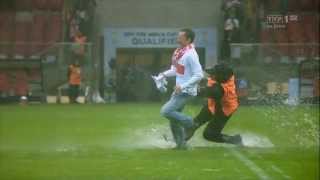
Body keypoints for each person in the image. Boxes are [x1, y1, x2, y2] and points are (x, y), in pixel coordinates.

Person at [157, 28, 204, 149]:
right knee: (173, 119)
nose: (177, 38)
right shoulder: (179, 51)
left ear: (188, 39)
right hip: (179, 90)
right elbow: (175, 70)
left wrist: (182, 86)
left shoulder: (191, 54)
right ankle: (181, 145)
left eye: (180, 37)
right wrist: (163, 75)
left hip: (185, 91)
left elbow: (199, 75)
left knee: (166, 111)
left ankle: (191, 123)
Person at [185, 64, 242, 145]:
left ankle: (234, 140)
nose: (211, 75)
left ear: (221, 77)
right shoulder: (225, 76)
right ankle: (180, 139)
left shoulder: (220, 89)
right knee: (195, 123)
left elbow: (206, 92)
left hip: (224, 110)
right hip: (214, 104)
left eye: (213, 74)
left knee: (209, 134)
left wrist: (188, 88)